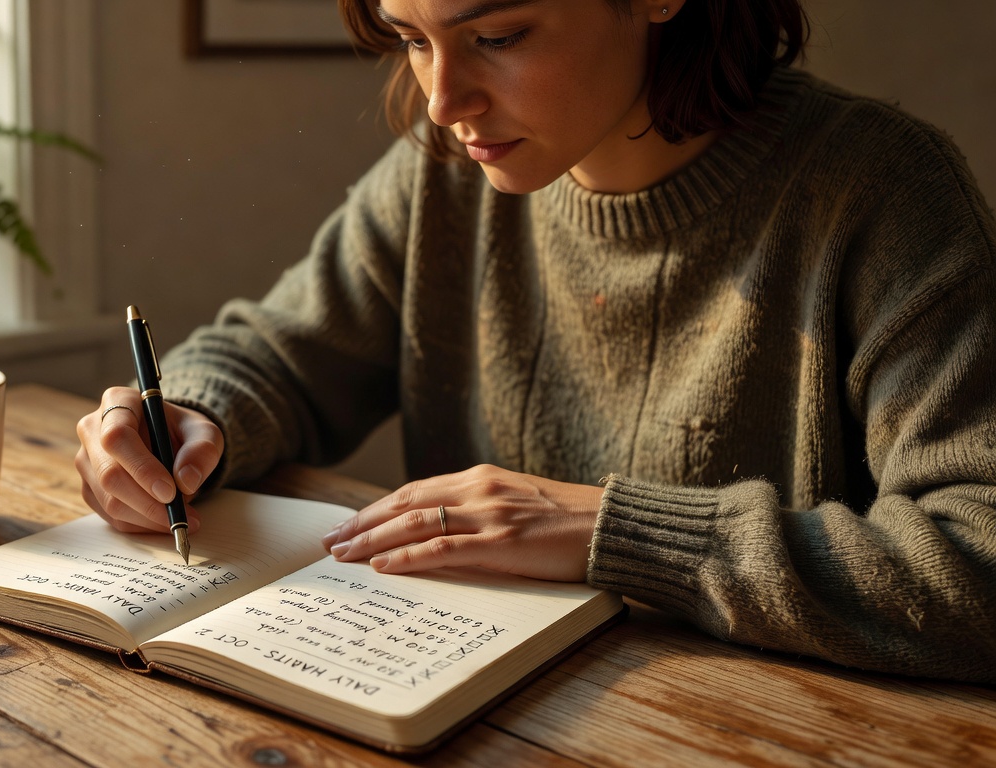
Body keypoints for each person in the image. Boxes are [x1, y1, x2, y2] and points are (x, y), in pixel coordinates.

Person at [75, 0, 996, 682]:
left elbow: (979, 559)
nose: (443, 102)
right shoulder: (443, 176)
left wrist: (614, 533)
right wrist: (188, 415)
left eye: (499, 36)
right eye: (412, 39)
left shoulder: (881, 192)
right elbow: (276, 352)